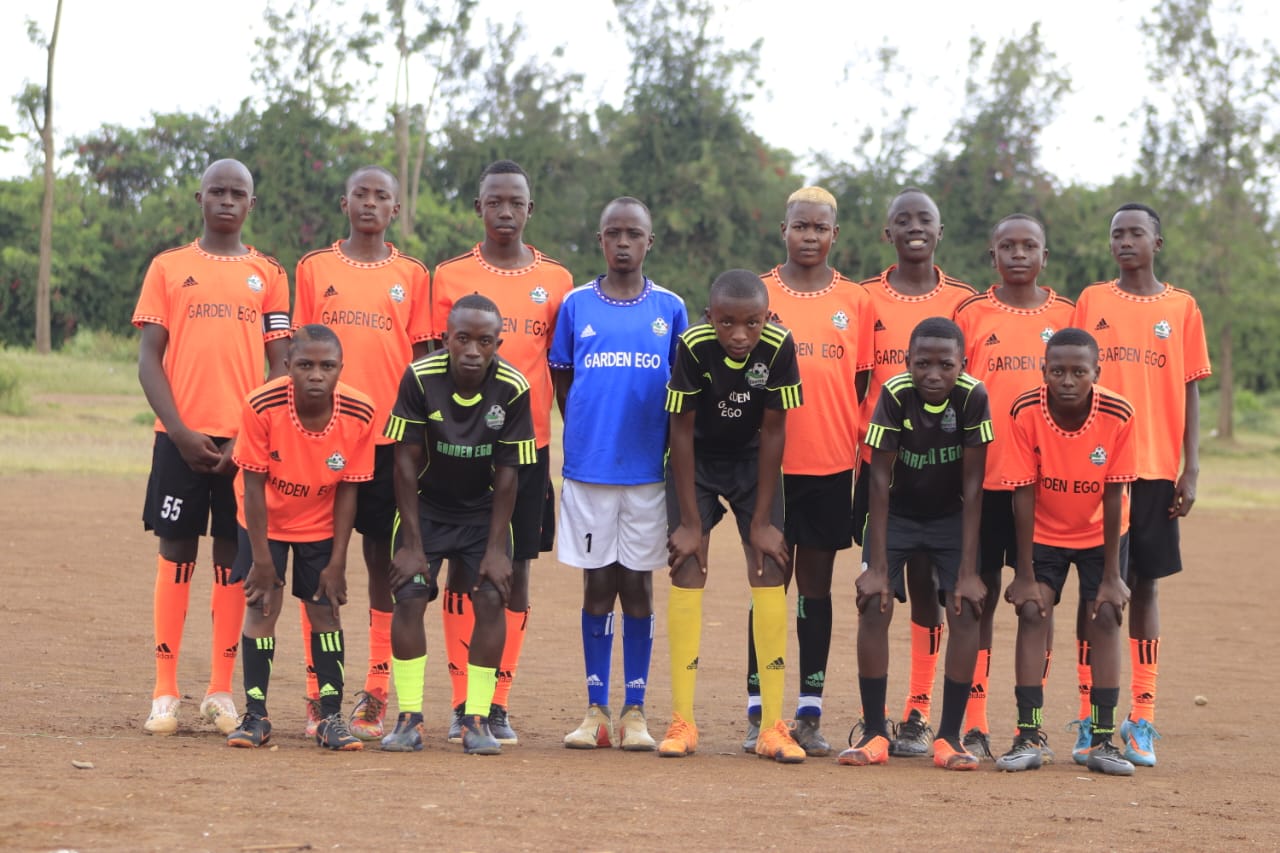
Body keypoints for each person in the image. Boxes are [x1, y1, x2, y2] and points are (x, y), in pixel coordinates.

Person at [133, 158, 291, 736]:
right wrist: (177, 429)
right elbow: (149, 357)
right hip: (178, 437)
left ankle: (221, 691)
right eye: (217, 191)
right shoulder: (169, 267)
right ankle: (164, 690)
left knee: (234, 557)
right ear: (199, 198)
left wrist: (251, 434)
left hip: (244, 443)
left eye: (237, 192)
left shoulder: (269, 273)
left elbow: (281, 362)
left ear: (252, 203)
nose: (227, 200)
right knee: (176, 552)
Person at [430, 159, 573, 744]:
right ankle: (462, 700)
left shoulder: (557, 280)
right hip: (456, 451)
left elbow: (561, 372)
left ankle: (497, 702)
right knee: (461, 573)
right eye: (495, 201)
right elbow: (431, 365)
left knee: (514, 573)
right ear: (479, 208)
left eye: (516, 202)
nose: (505, 211)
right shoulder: (448, 276)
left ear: (530, 209)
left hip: (527, 451)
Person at [293, 165, 433, 741]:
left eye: (382, 196)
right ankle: (318, 692)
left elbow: (422, 360)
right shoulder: (314, 268)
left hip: (389, 442)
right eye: (361, 194)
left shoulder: (413, 275)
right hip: (323, 441)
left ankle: (375, 691)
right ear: (344, 202)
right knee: (315, 563)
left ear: (395, 209)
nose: (370, 203)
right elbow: (301, 352)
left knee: (382, 564)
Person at [1070, 203, 1211, 767]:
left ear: (1157, 242)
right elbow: (1069, 376)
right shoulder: (1091, 300)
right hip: (1097, 469)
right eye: (1116, 234)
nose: (1125, 241)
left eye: (1136, 233)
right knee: (1093, 593)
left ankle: (1142, 717)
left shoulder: (1182, 308)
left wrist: (1190, 468)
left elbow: (1191, 388)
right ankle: (1090, 715)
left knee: (1145, 588)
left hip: (1153, 469)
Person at [550, 197, 688, 751]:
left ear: (650, 241)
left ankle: (635, 711)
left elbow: (682, 389)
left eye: (634, 233)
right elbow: (564, 379)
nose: (623, 242)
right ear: (600, 240)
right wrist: (590, 431)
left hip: (648, 472)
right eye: (614, 233)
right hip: (590, 471)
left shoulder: (671, 308)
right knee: (597, 583)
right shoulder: (576, 304)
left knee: (637, 584)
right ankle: (596, 711)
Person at [740, 187, 873, 756]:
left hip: (829, 465)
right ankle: (760, 712)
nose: (810, 236)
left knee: (815, 591)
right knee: (769, 586)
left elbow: (859, 383)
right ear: (784, 229)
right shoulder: (759, 294)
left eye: (820, 228)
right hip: (767, 469)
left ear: (834, 234)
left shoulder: (856, 301)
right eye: (800, 226)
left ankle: (809, 713)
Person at [379, 294, 537, 755]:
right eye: (462, 339)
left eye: (484, 341)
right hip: (426, 508)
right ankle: (408, 719)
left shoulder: (513, 387)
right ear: (445, 339)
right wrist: (412, 545)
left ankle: (476, 720)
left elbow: (509, 474)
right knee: (409, 595)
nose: (472, 350)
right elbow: (404, 463)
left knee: (490, 597)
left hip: (483, 511)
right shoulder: (419, 376)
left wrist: (496, 550)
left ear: (497, 344)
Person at [662, 270, 805, 763]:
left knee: (770, 566)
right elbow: (680, 430)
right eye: (727, 323)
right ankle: (682, 721)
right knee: (686, 563)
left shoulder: (780, 345)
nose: (740, 335)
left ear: (768, 318)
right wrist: (690, 523)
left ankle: (772, 727)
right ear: (710, 317)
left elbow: (774, 431)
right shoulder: (692, 345)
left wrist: (761, 522)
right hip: (696, 459)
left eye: (752, 323)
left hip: (751, 459)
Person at [854, 188, 976, 757]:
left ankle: (922, 714)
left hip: (949, 478)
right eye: (901, 219)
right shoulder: (863, 298)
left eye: (924, 218)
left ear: (940, 229)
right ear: (888, 232)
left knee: (938, 594)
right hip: (886, 473)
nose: (914, 227)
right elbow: (858, 378)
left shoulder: (964, 302)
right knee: (878, 593)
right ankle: (875, 727)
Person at [841, 317, 991, 770]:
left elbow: (974, 486)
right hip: (898, 515)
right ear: (907, 361)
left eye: (946, 365)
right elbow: (878, 478)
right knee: (874, 602)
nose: (933, 374)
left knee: (965, 606)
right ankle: (874, 732)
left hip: (950, 517)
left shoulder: (973, 396)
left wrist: (969, 572)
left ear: (963, 364)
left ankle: (949, 737)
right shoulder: (894, 393)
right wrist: (877, 568)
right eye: (922, 363)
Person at [952, 213, 1075, 760]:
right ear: (992, 255)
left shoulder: (1068, 315)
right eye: (1008, 246)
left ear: (1046, 256)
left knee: (1035, 603)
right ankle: (974, 722)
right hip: (981, 483)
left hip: (1045, 491)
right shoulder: (971, 314)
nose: (1019, 254)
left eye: (1029, 246)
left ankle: (1031, 725)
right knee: (976, 602)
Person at [225, 325, 377, 751]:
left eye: (327, 366)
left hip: (321, 523)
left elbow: (349, 490)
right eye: (306, 365)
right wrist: (262, 560)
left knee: (325, 613)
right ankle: (255, 715)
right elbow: (252, 486)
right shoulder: (262, 405)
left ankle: (330, 718)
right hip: (264, 522)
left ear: (341, 368)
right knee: (262, 607)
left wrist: (337, 562)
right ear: (287, 365)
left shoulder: (361, 411)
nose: (316, 375)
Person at [997, 328, 1137, 776]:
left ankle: (1102, 740)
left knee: (1106, 615)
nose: (1068, 380)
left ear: (1097, 372)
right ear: (1044, 371)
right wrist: (1023, 573)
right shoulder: (1025, 409)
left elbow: (1115, 494)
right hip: (1043, 530)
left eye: (1079, 371)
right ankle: (1027, 734)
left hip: (1100, 533)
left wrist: (1112, 577)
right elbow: (1022, 491)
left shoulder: (1118, 413)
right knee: (1032, 611)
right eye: (1058, 371)